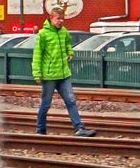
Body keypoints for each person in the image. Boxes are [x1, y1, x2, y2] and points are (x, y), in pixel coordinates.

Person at [32, 7, 97, 137]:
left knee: (71, 100)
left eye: (62, 19)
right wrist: (37, 73)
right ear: (51, 18)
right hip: (49, 75)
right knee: (46, 103)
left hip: (64, 74)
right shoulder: (43, 34)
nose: (61, 21)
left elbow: (68, 44)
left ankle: (79, 128)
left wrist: (70, 52)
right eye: (58, 19)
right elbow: (37, 54)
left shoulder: (63, 32)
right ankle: (40, 129)